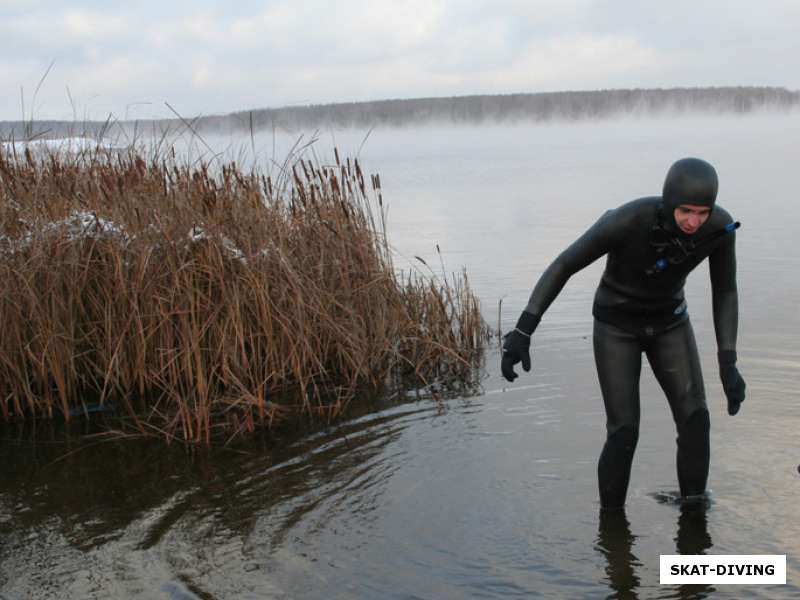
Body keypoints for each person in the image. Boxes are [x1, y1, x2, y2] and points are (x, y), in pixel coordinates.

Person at [501, 157, 746, 510]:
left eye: (702, 212)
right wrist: (524, 330)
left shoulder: (719, 229)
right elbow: (565, 264)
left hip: (670, 323)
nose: (694, 222)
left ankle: (694, 527)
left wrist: (728, 362)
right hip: (616, 327)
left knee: (696, 420)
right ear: (669, 202)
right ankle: (612, 529)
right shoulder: (627, 220)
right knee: (624, 430)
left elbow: (725, 291)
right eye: (686, 211)